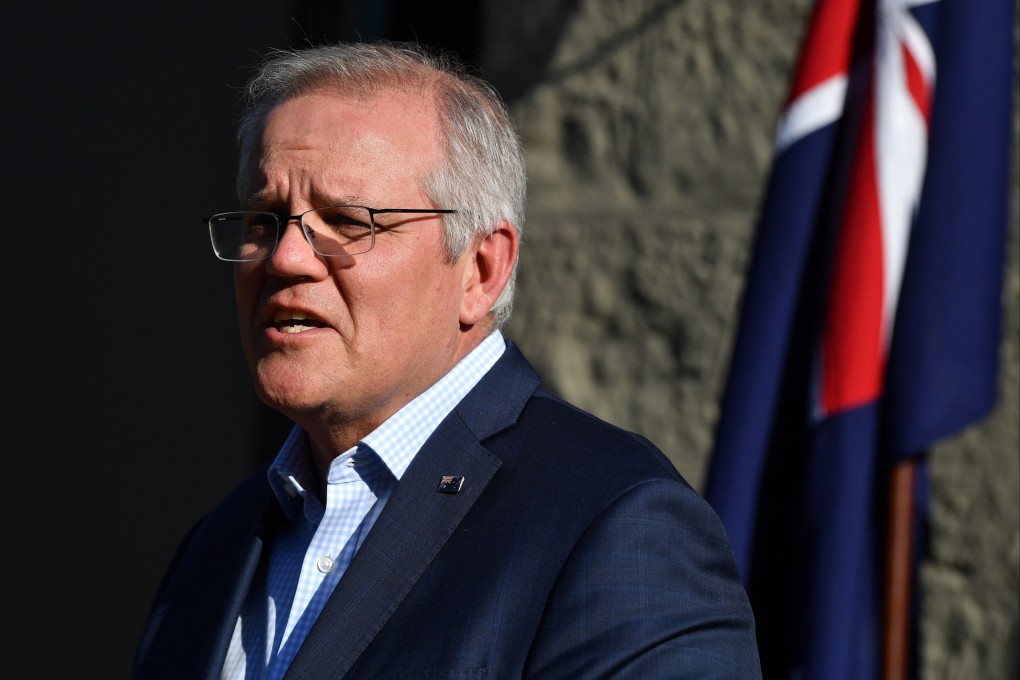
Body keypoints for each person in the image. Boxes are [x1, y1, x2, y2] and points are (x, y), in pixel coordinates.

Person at [133, 42, 761, 679]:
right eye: (265, 219)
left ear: (481, 271)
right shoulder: (214, 551)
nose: (285, 258)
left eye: (347, 221)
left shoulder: (614, 524)